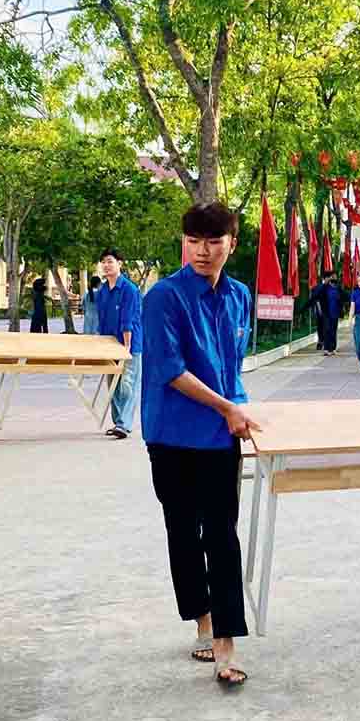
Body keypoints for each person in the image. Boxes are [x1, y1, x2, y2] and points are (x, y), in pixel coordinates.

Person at [141, 201, 259, 687]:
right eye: (193, 241)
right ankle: (202, 622)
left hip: (218, 436)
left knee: (222, 534)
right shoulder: (162, 297)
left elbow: (232, 366)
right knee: (183, 532)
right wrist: (228, 407)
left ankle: (226, 644)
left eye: (213, 242)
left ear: (232, 243)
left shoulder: (239, 296)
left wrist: (242, 410)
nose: (202, 252)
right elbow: (170, 371)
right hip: (171, 434)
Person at [96, 248, 143, 439]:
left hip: (129, 344)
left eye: (110, 261)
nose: (106, 266)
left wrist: (127, 346)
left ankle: (124, 424)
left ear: (119, 264)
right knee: (113, 384)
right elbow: (102, 320)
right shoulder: (102, 291)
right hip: (109, 345)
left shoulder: (129, 289)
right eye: (104, 262)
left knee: (128, 384)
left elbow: (128, 319)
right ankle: (118, 422)